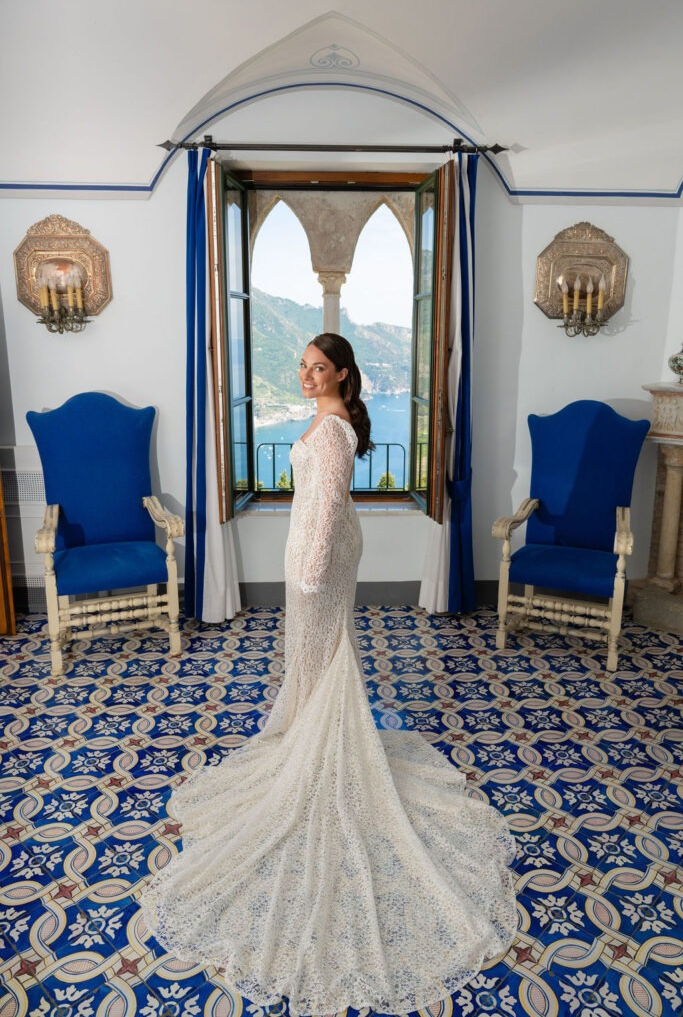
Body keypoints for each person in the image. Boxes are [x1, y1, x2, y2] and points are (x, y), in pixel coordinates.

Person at [141, 333, 516, 1016]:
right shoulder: (323, 418)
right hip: (310, 550)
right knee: (310, 657)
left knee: (318, 651)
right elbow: (313, 501)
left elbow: (327, 505)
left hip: (321, 556)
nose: (308, 376)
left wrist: (311, 571)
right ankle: (306, 731)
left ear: (344, 373)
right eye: (305, 368)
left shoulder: (336, 431)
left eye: (320, 368)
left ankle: (319, 753)